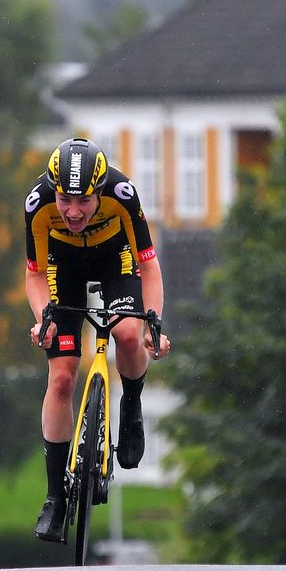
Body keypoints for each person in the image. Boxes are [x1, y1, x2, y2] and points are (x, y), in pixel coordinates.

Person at [24, 138, 171, 542]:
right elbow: (35, 274)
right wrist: (44, 319)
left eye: (83, 201)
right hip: (61, 267)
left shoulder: (122, 195)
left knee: (127, 333)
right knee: (61, 379)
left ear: (99, 191)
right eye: (64, 200)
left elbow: (149, 265)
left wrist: (152, 323)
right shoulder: (37, 204)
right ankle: (55, 497)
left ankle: (133, 406)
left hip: (114, 258)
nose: (72, 211)